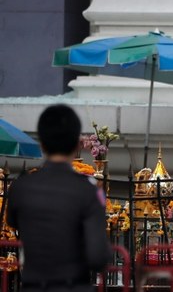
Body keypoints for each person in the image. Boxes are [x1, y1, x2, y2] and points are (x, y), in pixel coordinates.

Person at [6, 105, 111, 291]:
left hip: (33, 286)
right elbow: (98, 257)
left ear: (42, 144)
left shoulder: (21, 186)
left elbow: (12, 221)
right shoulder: (90, 190)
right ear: (77, 144)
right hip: (73, 286)